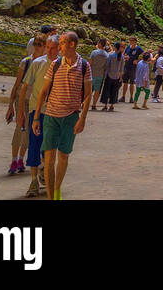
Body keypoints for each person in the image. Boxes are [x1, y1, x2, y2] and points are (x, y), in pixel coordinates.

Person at [31, 30, 93, 201]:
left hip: (71, 117)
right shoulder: (55, 64)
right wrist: (36, 117)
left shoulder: (84, 67)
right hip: (51, 115)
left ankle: (57, 189)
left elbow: (88, 94)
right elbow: (43, 92)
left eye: (63, 43)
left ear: (72, 45)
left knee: (64, 156)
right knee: (49, 159)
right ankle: (51, 197)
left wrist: (83, 119)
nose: (59, 47)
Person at [19, 32, 56, 196]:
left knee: (49, 148)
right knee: (34, 145)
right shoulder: (37, 63)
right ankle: (34, 181)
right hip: (37, 111)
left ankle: (44, 173)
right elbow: (24, 87)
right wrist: (21, 111)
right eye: (47, 47)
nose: (49, 50)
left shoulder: (62, 66)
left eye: (53, 48)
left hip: (54, 113)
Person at [6, 41, 35, 176]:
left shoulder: (44, 63)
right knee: (20, 128)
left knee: (29, 130)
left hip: (34, 100)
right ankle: (13, 160)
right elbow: (17, 83)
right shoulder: (26, 62)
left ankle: (20, 159)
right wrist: (10, 105)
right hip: (21, 99)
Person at [103, 41, 123, 111]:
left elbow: (107, 66)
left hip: (109, 75)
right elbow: (121, 68)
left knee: (106, 91)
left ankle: (105, 105)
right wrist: (120, 77)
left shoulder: (111, 55)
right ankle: (112, 106)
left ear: (115, 47)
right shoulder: (121, 56)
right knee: (114, 91)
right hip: (116, 76)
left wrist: (104, 74)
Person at [89, 39, 109, 111]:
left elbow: (90, 63)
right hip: (100, 75)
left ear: (100, 44)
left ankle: (85, 103)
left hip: (91, 74)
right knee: (97, 90)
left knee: (89, 90)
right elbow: (106, 67)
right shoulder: (106, 55)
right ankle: (94, 104)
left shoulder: (94, 52)